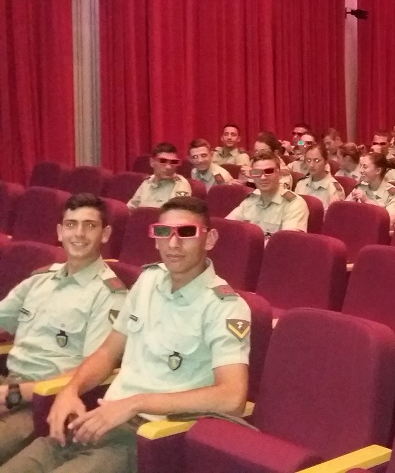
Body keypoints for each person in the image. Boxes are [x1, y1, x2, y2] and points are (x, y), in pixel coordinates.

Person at [4, 197, 250, 473]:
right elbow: (107, 352)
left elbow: (232, 397)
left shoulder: (225, 307)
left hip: (147, 436)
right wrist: (70, 390)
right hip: (99, 418)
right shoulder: (148, 281)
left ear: (210, 239)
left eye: (186, 232)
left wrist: (135, 403)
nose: (173, 243)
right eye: (163, 232)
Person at [0, 195, 126, 464]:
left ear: (105, 234)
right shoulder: (40, 279)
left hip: (42, 402)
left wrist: (15, 393)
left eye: (90, 226)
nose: (79, 233)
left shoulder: (109, 295)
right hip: (7, 385)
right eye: (71, 224)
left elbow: (92, 370)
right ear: (59, 232)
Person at [226, 151, 309, 236]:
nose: (263, 177)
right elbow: (227, 226)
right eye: (256, 172)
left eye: (269, 171)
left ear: (279, 174)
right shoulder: (250, 200)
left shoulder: (294, 204)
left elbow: (287, 241)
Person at [128, 143, 192, 209]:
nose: (168, 167)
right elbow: (131, 207)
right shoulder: (148, 182)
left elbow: (177, 212)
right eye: (163, 161)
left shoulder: (180, 184)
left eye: (173, 162)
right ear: (152, 162)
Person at [346, 153, 395, 227]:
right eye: (360, 166)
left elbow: (389, 222)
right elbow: (344, 210)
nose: (360, 170)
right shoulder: (361, 186)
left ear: (378, 170)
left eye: (365, 167)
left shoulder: (393, 194)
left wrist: (366, 201)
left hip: (375, 231)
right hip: (356, 227)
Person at [293, 143, 345, 210]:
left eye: (317, 160)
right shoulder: (301, 183)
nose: (311, 165)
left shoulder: (334, 188)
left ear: (326, 162)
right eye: (308, 160)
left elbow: (332, 215)